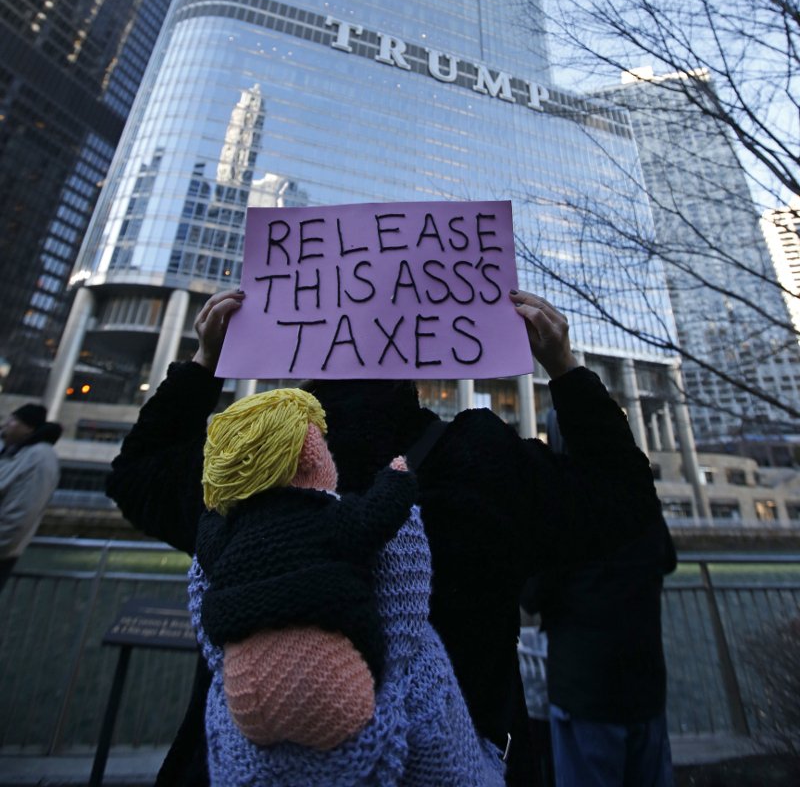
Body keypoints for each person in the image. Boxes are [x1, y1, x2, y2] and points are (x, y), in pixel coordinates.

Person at [107, 287, 663, 787]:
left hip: (244, 769)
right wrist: (562, 366)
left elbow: (135, 473)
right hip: (453, 764)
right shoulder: (483, 461)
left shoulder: (247, 468)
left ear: (302, 361)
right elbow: (624, 497)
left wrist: (205, 362)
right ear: (412, 364)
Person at [192, 387, 506, 785]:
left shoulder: (230, 535)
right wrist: (395, 478)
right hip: (338, 689)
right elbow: (378, 514)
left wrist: (209, 513)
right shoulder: (331, 519)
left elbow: (202, 536)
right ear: (310, 454)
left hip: (247, 696)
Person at [522, 409, 676, 787]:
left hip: (585, 691)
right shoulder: (634, 495)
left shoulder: (559, 504)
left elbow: (531, 594)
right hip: (645, 687)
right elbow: (666, 557)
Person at [0, 403, 62, 589]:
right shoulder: (15, 452)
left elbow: (20, 514)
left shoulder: (38, 457)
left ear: (28, 428)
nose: (6, 424)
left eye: (13, 420)